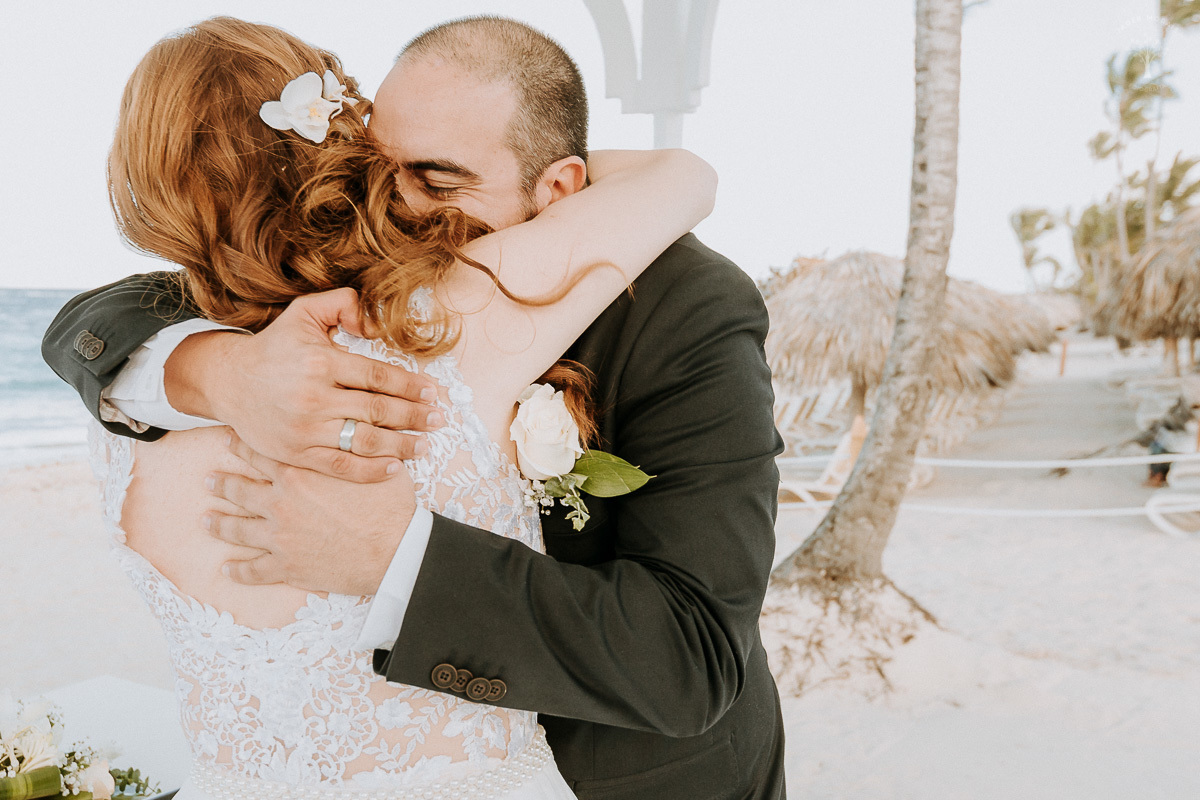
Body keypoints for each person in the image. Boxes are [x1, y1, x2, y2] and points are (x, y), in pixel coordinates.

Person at [44, 16, 787, 800]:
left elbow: (690, 657)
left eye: (437, 181)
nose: (387, 209)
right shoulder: (304, 320)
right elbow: (103, 316)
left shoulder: (683, 304)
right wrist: (215, 371)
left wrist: (400, 557)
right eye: (366, 171)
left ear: (562, 188)